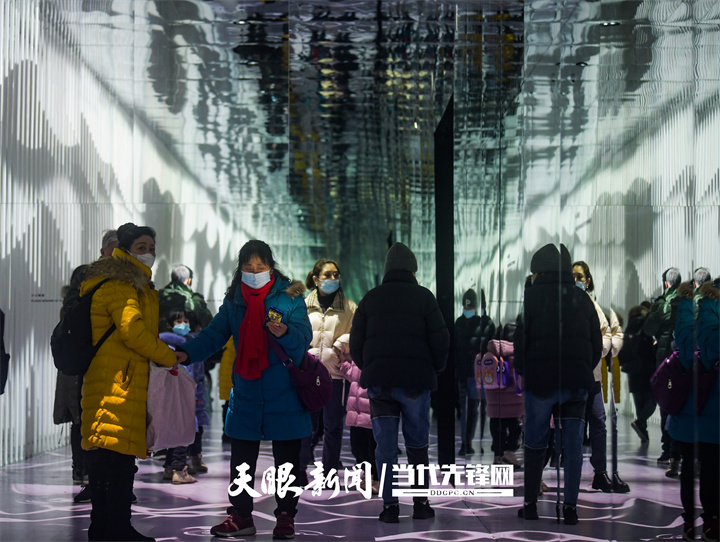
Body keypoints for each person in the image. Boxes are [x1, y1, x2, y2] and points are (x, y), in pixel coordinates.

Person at [175, 240, 312, 540]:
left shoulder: (289, 296)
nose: (254, 272)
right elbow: (214, 335)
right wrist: (187, 353)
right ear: (241, 269)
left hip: (284, 389)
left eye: (260, 267)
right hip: (247, 390)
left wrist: (286, 332)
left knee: (287, 460)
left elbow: (304, 338)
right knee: (241, 460)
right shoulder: (235, 300)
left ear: (271, 266)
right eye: (248, 268)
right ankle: (241, 516)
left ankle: (286, 516)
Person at [80, 223, 179, 542]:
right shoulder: (120, 283)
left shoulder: (131, 282)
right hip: (115, 382)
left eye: (151, 247)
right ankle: (115, 528)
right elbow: (132, 331)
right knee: (114, 461)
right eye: (141, 247)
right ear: (123, 249)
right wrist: (168, 356)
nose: (149, 253)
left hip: (121, 379)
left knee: (111, 459)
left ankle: (106, 527)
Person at [349, 242, 449, 523]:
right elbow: (441, 340)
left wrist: (368, 366)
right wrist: (434, 369)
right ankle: (420, 504)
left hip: (380, 385)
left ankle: (390, 506)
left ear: (386, 271)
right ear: (413, 270)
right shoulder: (425, 298)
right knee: (417, 447)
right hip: (416, 384)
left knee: (386, 448)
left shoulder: (370, 299)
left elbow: (356, 343)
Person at [515, 244, 600, 525]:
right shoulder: (582, 299)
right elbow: (596, 344)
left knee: (535, 444)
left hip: (540, 384)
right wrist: (582, 369)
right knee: (573, 446)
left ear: (539, 271)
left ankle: (530, 505)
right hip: (576, 383)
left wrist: (524, 372)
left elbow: (521, 341)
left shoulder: (532, 297)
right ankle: (571, 508)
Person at [53, 230, 117, 504]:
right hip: (86, 362)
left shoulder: (134, 280)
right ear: (103, 250)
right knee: (83, 419)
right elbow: (74, 318)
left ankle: (109, 479)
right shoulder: (87, 276)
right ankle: (87, 475)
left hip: (115, 364)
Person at [668, 280, 719, 541]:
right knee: (712, 468)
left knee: (688, 467)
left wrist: (686, 302)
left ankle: (688, 519)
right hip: (713, 414)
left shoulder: (688, 326)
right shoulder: (716, 330)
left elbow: (682, 345)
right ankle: (712, 519)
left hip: (687, 412)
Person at [572, 261, 628, 493]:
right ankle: (571, 476)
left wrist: (598, 350)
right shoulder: (565, 304)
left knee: (599, 424)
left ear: (588, 280)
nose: (577, 280)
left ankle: (600, 473)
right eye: (573, 276)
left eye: (580, 276)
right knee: (572, 427)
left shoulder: (594, 305)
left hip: (593, 374)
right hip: (572, 375)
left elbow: (606, 333)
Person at [303, 258, 357, 476]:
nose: (333, 278)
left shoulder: (350, 307)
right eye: (327, 275)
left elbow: (357, 333)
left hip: (335, 374)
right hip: (308, 373)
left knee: (333, 426)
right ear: (316, 279)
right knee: (307, 425)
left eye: (336, 274)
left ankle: (329, 470)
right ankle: (300, 467)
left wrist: (341, 343)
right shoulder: (304, 305)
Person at [157, 309, 206, 484]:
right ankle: (179, 469)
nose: (183, 325)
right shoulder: (189, 346)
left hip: (168, 394)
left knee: (173, 431)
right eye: (179, 322)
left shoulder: (161, 346)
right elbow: (197, 375)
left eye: (185, 321)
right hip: (184, 394)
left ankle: (170, 467)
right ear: (170, 325)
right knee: (182, 431)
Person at [642, 267, 682, 471]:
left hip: (667, 360)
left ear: (666, 283)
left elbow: (648, 327)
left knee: (667, 403)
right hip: (687, 361)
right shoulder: (689, 301)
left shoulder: (665, 303)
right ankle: (682, 451)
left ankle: (669, 451)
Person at [454, 288, 495, 456]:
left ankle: (467, 443)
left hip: (471, 374)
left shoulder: (461, 323)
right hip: (471, 374)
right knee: (471, 410)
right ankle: (466, 443)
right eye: (466, 306)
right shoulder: (481, 323)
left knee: (471, 409)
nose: (468, 309)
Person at [619, 301, 656, 443]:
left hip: (632, 369)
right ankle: (641, 422)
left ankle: (643, 433)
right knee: (652, 399)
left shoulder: (631, 323)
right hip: (646, 367)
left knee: (639, 402)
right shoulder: (646, 322)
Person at [158, 264, 213, 329]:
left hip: (159, 337)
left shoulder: (157, 296)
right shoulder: (194, 300)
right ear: (189, 281)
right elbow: (208, 324)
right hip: (188, 338)